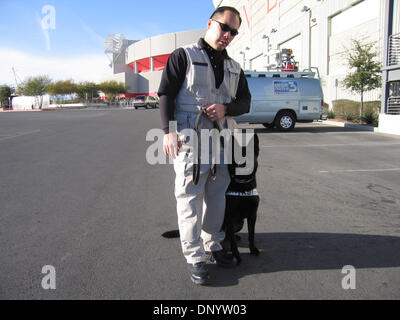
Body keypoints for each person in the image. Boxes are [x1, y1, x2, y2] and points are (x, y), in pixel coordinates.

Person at [158, 6, 251, 285]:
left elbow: (245, 103)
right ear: (210, 23)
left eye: (234, 32)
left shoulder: (234, 67)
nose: (228, 35)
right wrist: (167, 131)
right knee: (188, 196)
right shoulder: (183, 56)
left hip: (221, 140)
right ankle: (194, 255)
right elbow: (166, 93)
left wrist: (226, 108)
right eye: (224, 27)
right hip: (190, 139)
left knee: (218, 195)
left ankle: (213, 242)